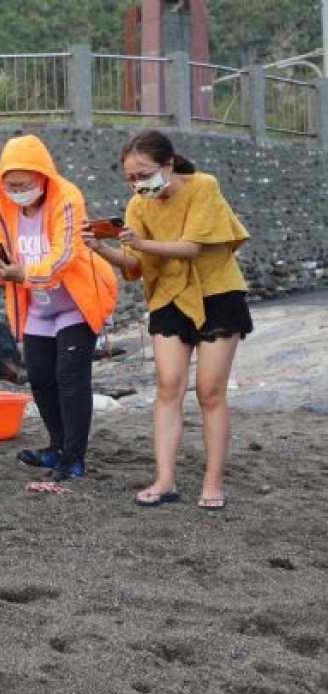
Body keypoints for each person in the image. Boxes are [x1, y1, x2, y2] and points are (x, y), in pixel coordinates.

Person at [84, 129, 252, 510]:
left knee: (210, 391)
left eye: (143, 175)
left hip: (218, 294)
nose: (137, 184)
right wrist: (101, 248)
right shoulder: (137, 206)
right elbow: (135, 266)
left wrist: (140, 244)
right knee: (167, 387)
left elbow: (192, 247)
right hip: (168, 297)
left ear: (168, 164)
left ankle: (213, 482)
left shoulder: (203, 187)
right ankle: (165, 480)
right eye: (130, 177)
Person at [0, 134, 118, 480]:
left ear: (42, 175)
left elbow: (63, 257)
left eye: (24, 183)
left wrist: (23, 272)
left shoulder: (67, 197)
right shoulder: (1, 206)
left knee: (71, 377)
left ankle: (74, 457)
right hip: (37, 305)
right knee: (41, 378)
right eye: (10, 184)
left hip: (75, 300)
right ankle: (56, 447)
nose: (17, 190)